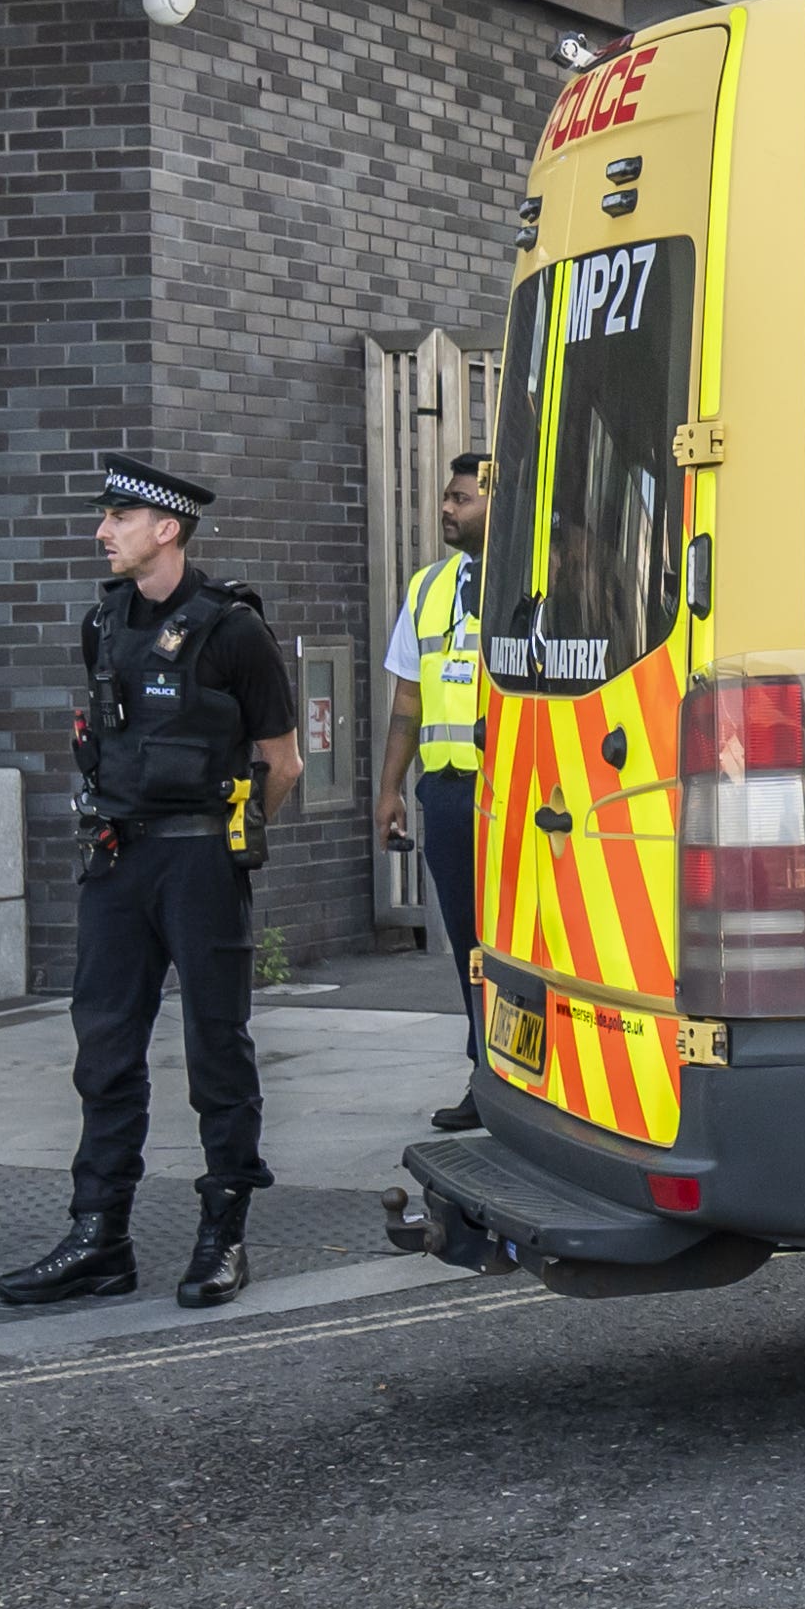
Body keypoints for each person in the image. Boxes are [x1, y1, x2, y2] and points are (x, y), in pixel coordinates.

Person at [0, 459, 300, 1314]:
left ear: (167, 526)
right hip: (117, 860)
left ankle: (224, 1231)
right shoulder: (104, 620)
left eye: (119, 516)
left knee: (216, 1046)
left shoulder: (233, 630)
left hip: (200, 860)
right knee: (103, 1050)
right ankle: (100, 1234)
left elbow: (282, 761)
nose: (104, 530)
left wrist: (238, 831)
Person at [375, 449, 495, 1135]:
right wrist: (390, 789)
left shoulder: (534, 583)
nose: (447, 509)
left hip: (514, 796)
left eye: (461, 498)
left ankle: (523, 1079)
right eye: (447, 498)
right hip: (448, 796)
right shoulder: (427, 587)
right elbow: (406, 700)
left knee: (515, 944)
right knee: (468, 940)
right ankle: (485, 1075)